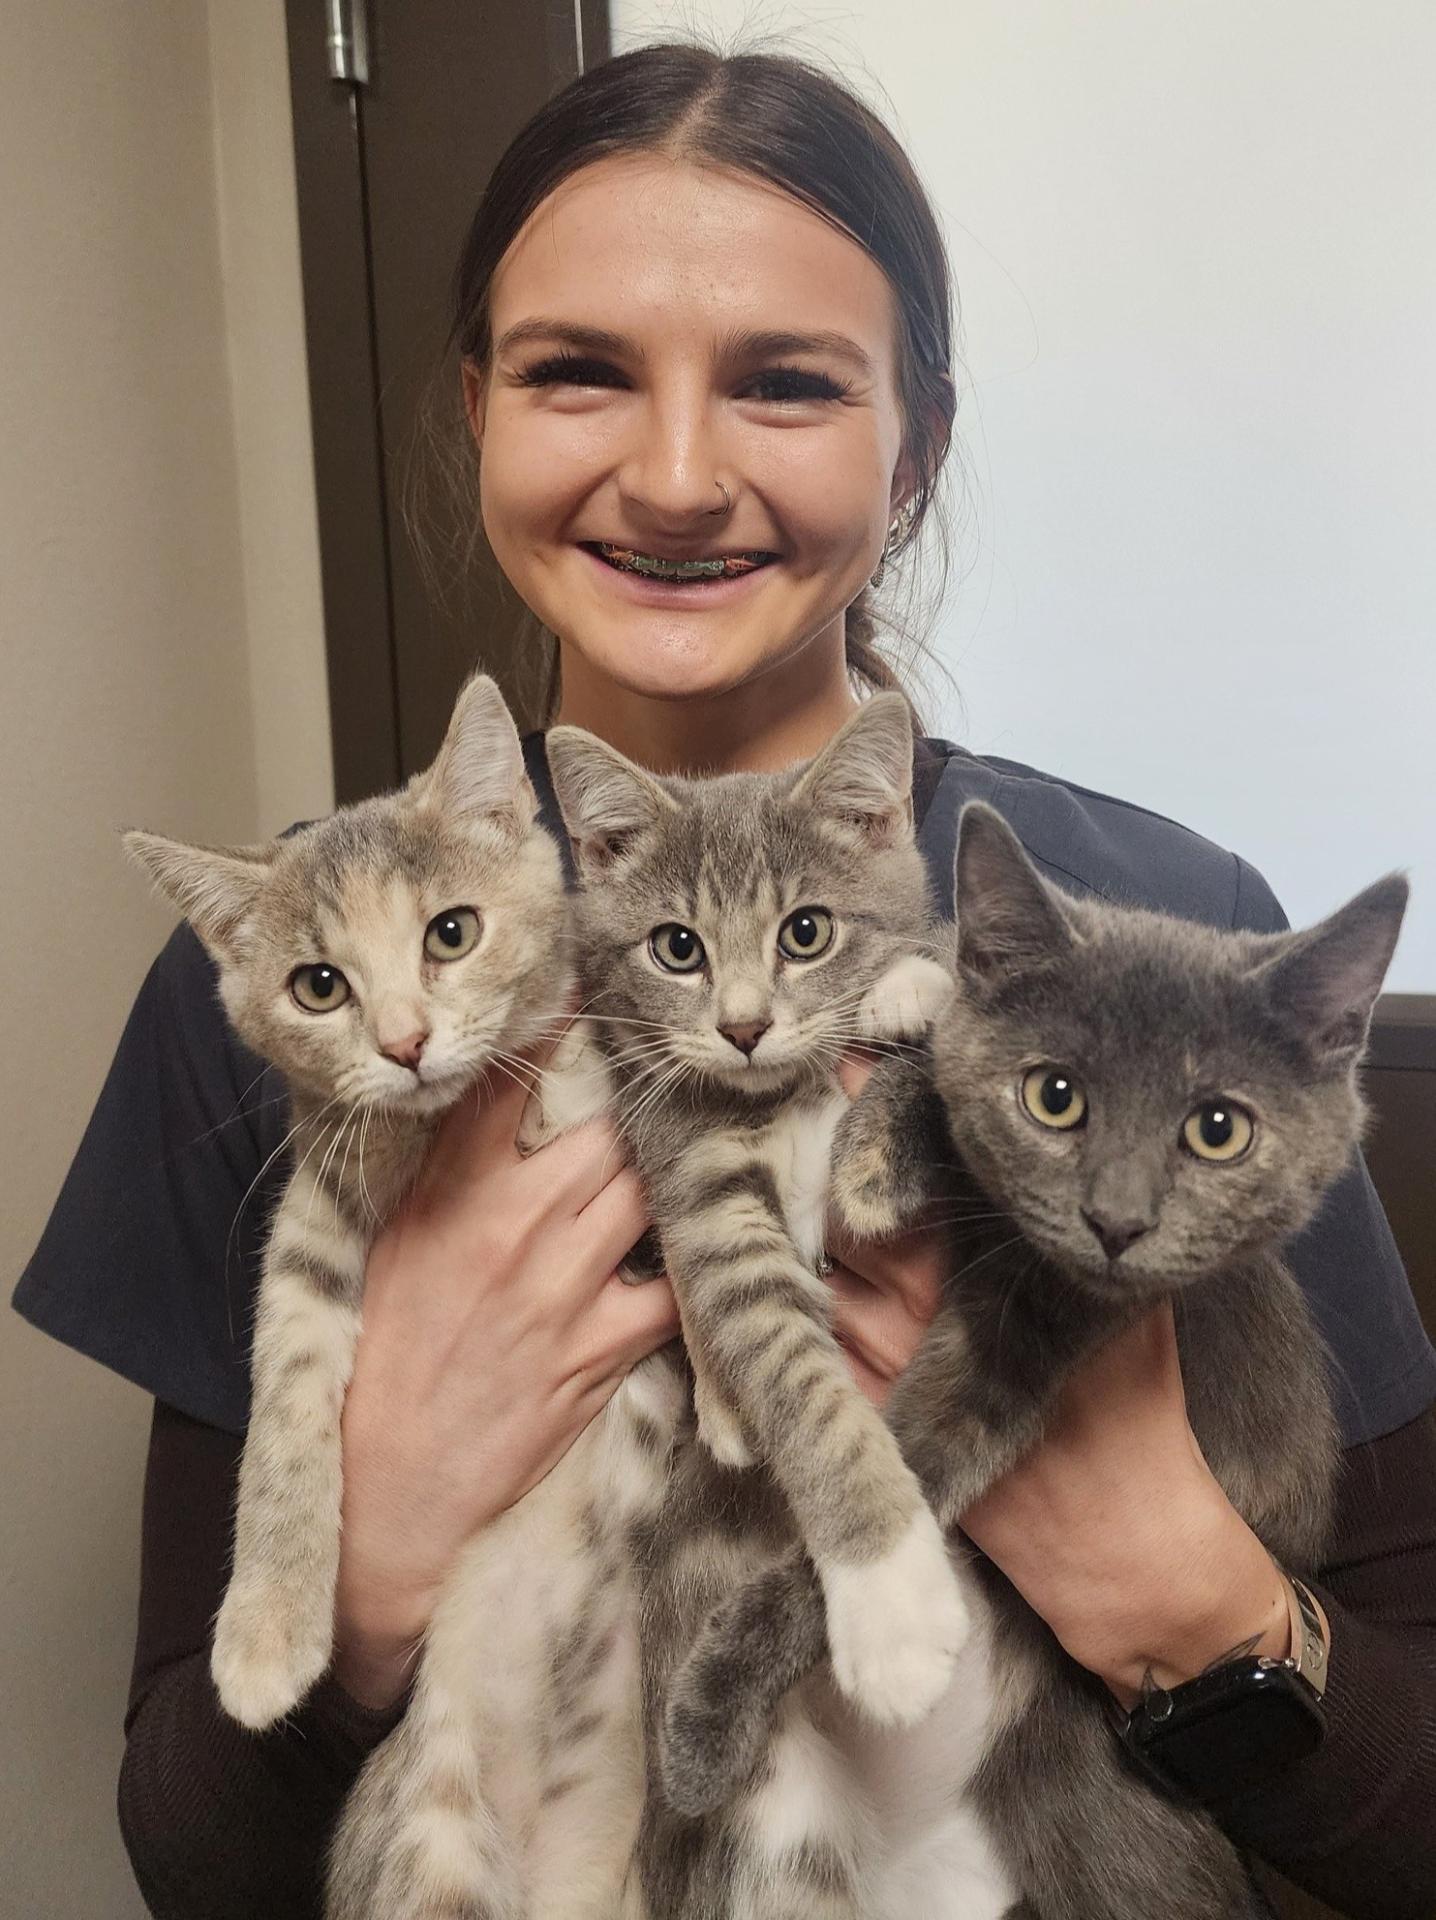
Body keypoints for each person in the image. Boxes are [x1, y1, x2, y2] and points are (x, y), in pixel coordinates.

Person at [14, 42, 1436, 1920]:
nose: (675, 477)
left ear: (914, 445)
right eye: (576, 371)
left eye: (783, 384)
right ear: (474, 412)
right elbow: (192, 1854)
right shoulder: (325, 979)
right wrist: (377, 1564)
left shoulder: (1160, 934)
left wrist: (1182, 1590)